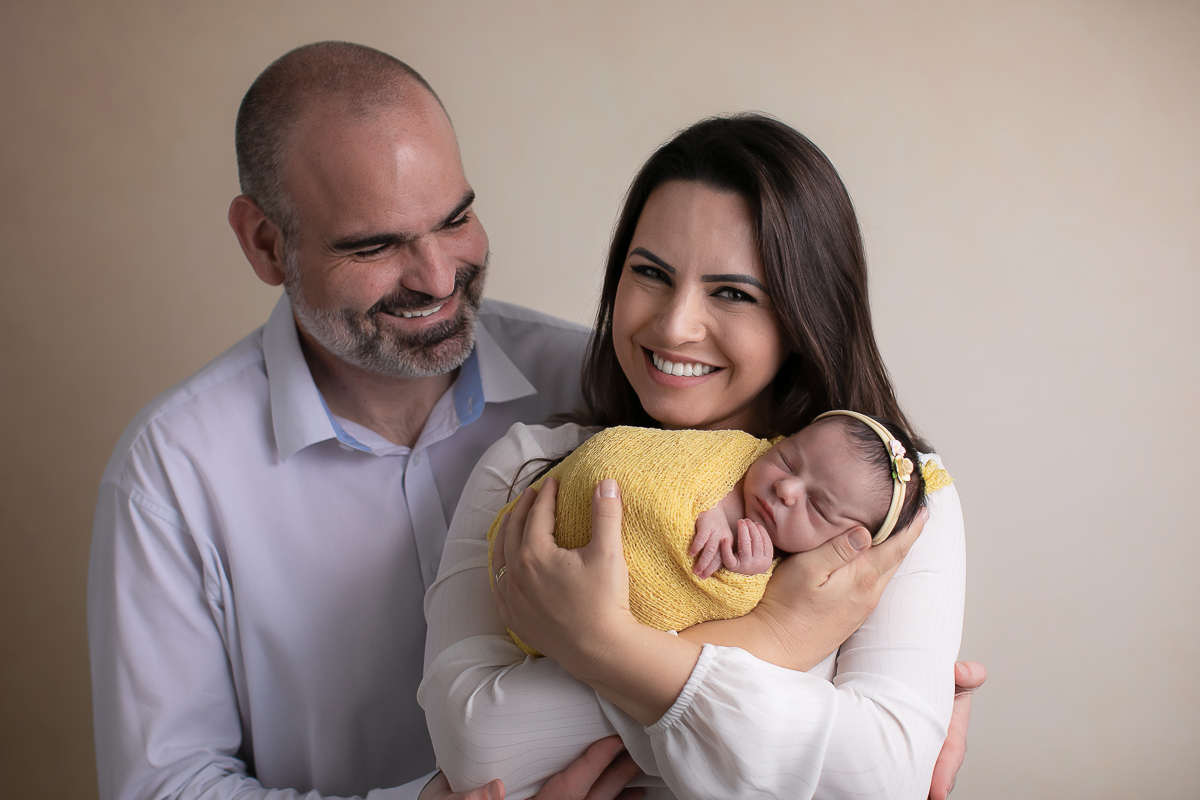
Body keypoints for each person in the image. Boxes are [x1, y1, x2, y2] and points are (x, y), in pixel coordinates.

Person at [86, 41, 641, 800]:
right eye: (376, 245)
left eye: (456, 219)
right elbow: (166, 785)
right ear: (265, 244)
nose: (439, 276)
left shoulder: (592, 383)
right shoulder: (172, 473)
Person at [420, 115, 970, 799]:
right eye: (650, 273)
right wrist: (780, 643)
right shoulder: (531, 464)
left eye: (733, 292)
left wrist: (601, 644)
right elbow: (479, 745)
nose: (675, 325)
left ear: (806, 315)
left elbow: (880, 778)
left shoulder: (889, 495)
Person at [486, 412, 938, 651]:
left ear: (847, 545)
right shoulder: (740, 456)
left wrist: (746, 575)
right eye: (788, 459)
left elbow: (741, 604)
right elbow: (704, 472)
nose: (785, 487)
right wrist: (716, 507)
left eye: (817, 505)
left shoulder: (800, 577)